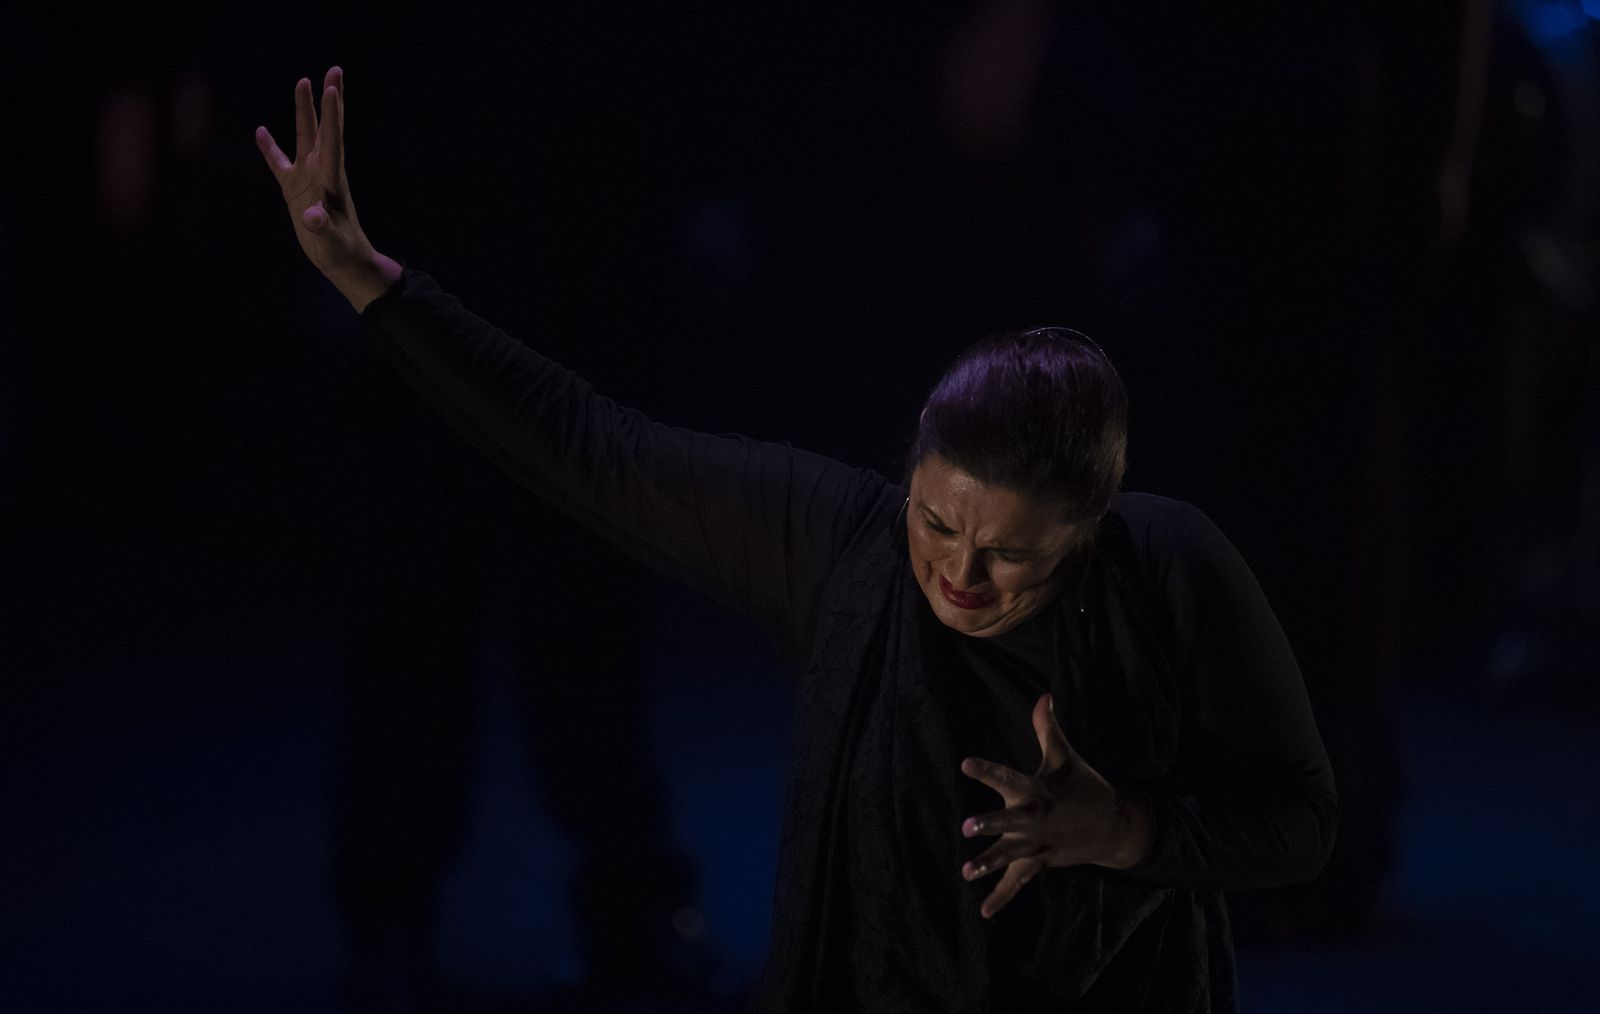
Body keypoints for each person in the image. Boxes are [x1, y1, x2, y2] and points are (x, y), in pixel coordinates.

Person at [257, 67, 1337, 1012]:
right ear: (909, 468)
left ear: (1086, 528)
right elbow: (590, 445)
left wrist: (1128, 832)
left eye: (1006, 554)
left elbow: (1299, 821)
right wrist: (371, 284)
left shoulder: (1168, 569)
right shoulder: (839, 542)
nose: (957, 572)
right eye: (937, 520)